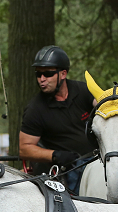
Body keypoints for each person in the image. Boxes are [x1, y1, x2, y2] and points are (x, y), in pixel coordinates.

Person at [19, 45, 95, 194]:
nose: (42, 79)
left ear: (63, 74)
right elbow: (24, 149)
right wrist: (55, 155)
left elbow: (105, 108)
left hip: (98, 160)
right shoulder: (35, 109)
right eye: (38, 74)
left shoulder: (83, 90)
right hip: (69, 169)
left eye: (48, 74)